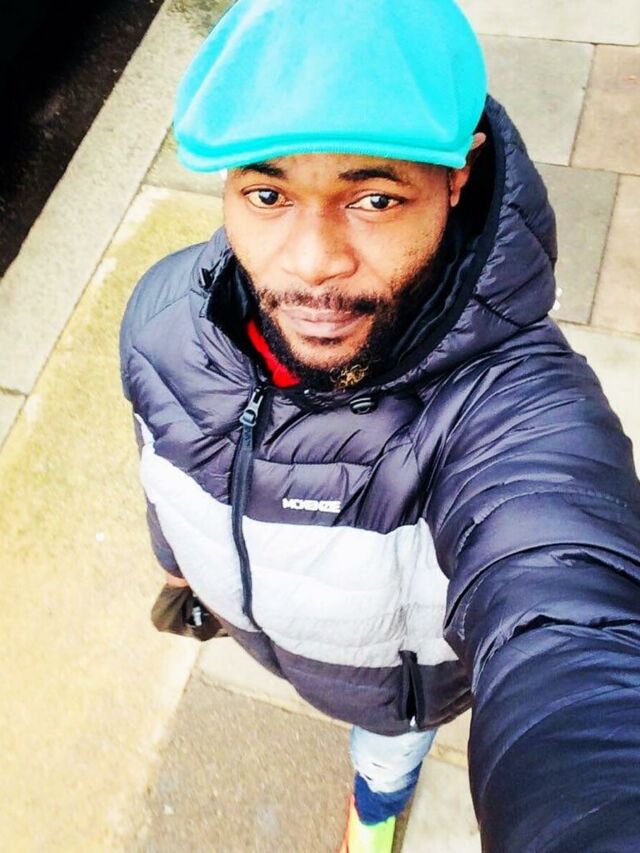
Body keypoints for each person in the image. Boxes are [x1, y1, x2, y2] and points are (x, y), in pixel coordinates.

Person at [119, 1, 640, 850]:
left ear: (458, 179)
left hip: (397, 696)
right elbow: (157, 454)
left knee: (387, 756)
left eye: (373, 197)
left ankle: (375, 809)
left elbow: (570, 618)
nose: (312, 260)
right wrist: (176, 563)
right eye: (267, 194)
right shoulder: (160, 316)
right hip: (262, 634)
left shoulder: (513, 407)